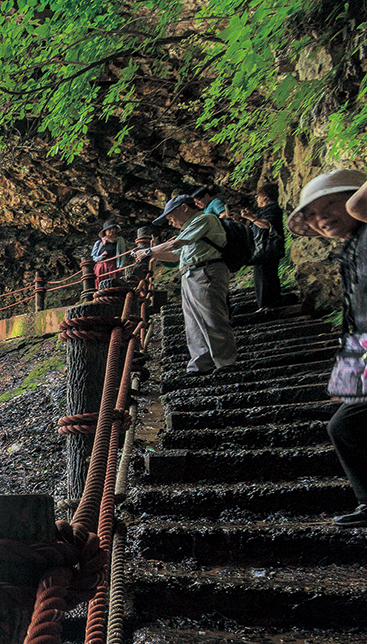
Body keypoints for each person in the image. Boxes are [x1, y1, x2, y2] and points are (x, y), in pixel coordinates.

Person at [288, 168, 367, 527]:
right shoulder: (351, 248)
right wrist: (348, 380)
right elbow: (356, 318)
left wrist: (353, 204)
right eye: (313, 215)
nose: (321, 219)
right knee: (346, 425)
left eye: (330, 205)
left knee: (346, 427)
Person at [136, 193, 236, 373]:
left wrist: (148, 250)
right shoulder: (190, 229)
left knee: (211, 317)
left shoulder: (205, 219)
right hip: (192, 274)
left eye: (170, 216)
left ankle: (225, 362)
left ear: (184, 207)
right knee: (193, 322)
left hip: (206, 271)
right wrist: (148, 253)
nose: (170, 221)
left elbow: (176, 245)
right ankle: (200, 364)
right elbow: (174, 256)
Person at [239, 182, 286, 311]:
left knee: (265, 277)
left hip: (267, 249)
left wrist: (251, 217)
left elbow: (267, 225)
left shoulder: (272, 208)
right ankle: (269, 303)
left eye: (258, 196)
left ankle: (268, 305)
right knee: (265, 275)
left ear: (265, 197)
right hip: (265, 249)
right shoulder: (266, 210)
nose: (257, 199)